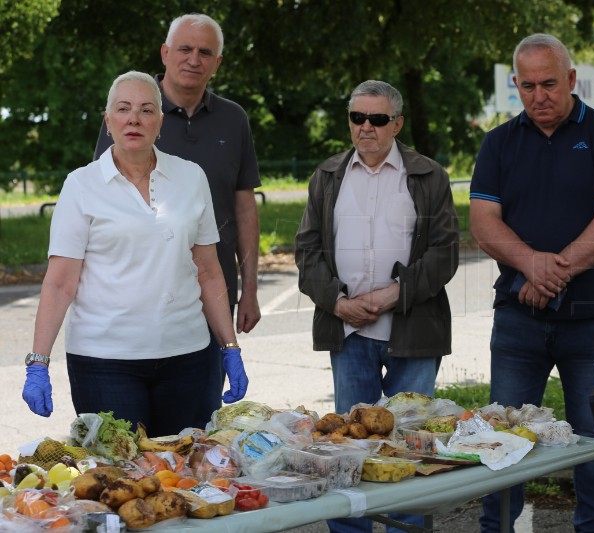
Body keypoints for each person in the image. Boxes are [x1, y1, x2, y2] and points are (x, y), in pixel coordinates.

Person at [470, 33, 594, 533]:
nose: (538, 95)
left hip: (592, 322)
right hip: (519, 321)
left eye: (548, 83)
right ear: (515, 87)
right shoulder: (498, 142)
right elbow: (483, 224)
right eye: (527, 86)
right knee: (502, 440)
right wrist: (531, 265)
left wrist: (549, 272)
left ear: (571, 79)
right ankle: (497, 527)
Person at [21, 71, 248, 437]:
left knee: (186, 478)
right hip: (104, 365)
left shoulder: (191, 177)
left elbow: (208, 271)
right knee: (123, 480)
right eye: (123, 109)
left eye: (146, 110)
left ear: (160, 122)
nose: (134, 119)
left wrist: (230, 347)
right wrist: (38, 363)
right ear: (108, 121)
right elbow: (61, 283)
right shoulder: (81, 185)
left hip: (189, 358)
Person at [295, 79, 459, 532]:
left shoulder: (428, 175)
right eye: (357, 117)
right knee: (349, 451)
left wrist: (392, 295)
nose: (366, 127)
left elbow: (445, 252)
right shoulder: (326, 176)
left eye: (378, 119)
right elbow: (306, 251)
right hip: (348, 334)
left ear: (397, 123)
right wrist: (338, 303)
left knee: (410, 448)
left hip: (414, 331)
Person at [94, 13, 262, 424]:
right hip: (136, 300)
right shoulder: (132, 111)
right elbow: (99, 198)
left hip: (211, 290)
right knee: (131, 435)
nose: (194, 59)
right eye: (184, 49)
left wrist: (252, 287)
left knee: (194, 429)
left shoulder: (233, 119)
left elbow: (244, 205)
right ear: (165, 53)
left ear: (217, 62)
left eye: (206, 52)